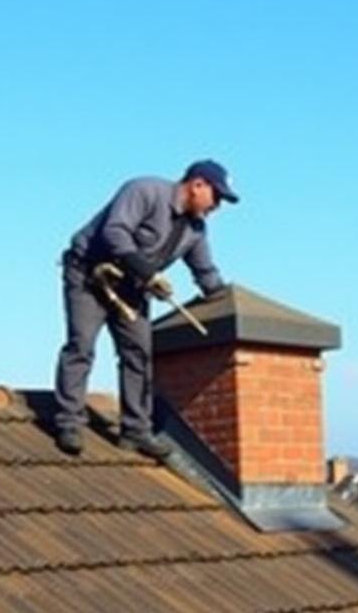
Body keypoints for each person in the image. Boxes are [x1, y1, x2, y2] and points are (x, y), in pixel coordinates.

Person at [53, 159, 238, 458]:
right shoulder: (144, 190)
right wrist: (148, 273)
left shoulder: (196, 229)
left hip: (131, 288)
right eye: (216, 197)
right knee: (82, 345)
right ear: (197, 184)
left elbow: (206, 273)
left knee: (139, 353)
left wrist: (228, 299)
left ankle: (135, 431)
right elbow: (115, 233)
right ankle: (69, 423)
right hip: (89, 275)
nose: (217, 206)